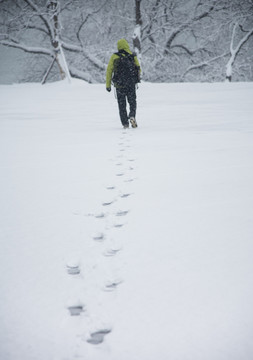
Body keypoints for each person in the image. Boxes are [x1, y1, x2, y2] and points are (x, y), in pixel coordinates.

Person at [106, 39, 141, 129]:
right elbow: (138, 68)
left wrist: (108, 85)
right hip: (130, 84)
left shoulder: (114, 56)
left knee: (122, 104)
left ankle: (125, 123)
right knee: (132, 102)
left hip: (119, 85)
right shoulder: (132, 56)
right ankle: (132, 115)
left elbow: (109, 70)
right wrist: (136, 80)